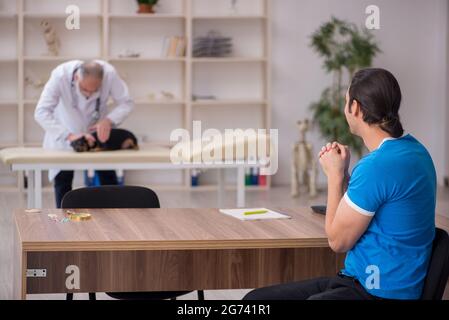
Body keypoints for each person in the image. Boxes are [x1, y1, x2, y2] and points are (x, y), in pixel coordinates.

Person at [244, 68, 436, 300]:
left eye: (346, 102)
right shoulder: (416, 151)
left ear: (355, 108)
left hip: (376, 293)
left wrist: (334, 177)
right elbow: (375, 206)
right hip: (362, 281)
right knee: (257, 300)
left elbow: (338, 241)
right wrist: (344, 176)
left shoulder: (376, 166)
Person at [34, 60, 134, 208]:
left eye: (95, 90)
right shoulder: (60, 75)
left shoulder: (110, 74)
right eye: (85, 89)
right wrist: (69, 135)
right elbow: (41, 112)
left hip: (97, 133)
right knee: (63, 179)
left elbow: (127, 103)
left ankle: (113, 219)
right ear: (76, 78)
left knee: (108, 178)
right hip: (66, 131)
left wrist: (108, 120)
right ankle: (65, 220)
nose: (90, 94)